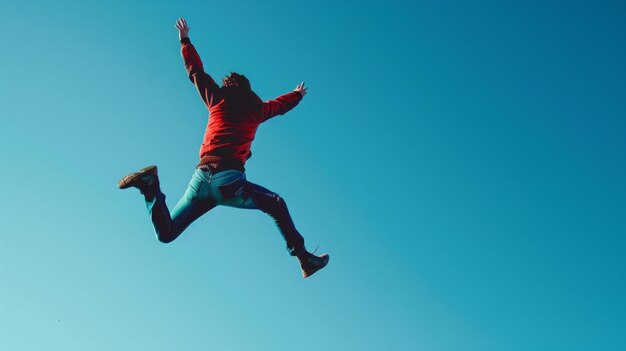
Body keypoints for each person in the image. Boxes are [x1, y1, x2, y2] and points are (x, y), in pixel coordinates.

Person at [118, 17, 329, 278]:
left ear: (228, 86)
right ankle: (304, 259)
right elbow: (279, 106)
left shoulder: (217, 96)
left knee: (167, 233)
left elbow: (195, 71)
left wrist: (185, 40)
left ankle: (151, 188)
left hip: (200, 180)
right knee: (276, 205)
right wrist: (297, 95)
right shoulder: (257, 108)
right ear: (248, 89)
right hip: (229, 182)